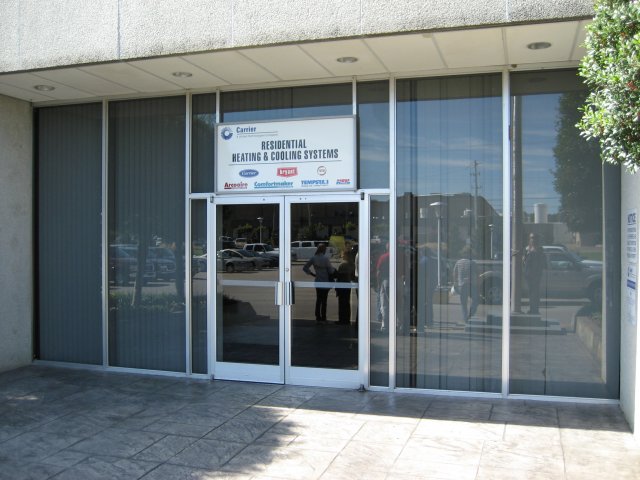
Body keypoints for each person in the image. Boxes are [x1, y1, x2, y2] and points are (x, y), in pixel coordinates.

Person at [303, 243, 335, 323]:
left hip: (318, 281)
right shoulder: (325, 259)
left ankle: (317, 316)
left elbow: (305, 267)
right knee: (324, 301)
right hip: (326, 281)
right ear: (324, 250)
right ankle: (323, 317)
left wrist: (312, 274)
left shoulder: (314, 258)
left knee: (318, 300)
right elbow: (330, 271)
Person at [452, 248, 479, 322]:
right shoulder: (473, 263)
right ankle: (470, 315)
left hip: (461, 286)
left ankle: (465, 319)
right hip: (471, 285)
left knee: (463, 303)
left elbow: (454, 274)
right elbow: (477, 274)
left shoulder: (458, 262)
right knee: (476, 300)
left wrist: (455, 283)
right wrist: (477, 284)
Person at [523, 233, 547, 314]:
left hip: (536, 275)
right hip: (528, 274)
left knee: (535, 293)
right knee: (531, 293)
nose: (532, 240)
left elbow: (542, 263)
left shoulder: (539, 250)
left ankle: (535, 310)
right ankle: (532, 309)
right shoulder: (527, 249)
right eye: (531, 238)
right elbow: (524, 261)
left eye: (534, 238)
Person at [335, 251, 356, 324]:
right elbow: (353, 276)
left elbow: (339, 276)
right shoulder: (352, 264)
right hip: (348, 285)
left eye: (343, 254)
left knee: (341, 303)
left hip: (341, 285)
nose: (342, 255)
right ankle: (347, 320)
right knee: (347, 303)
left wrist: (336, 288)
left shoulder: (343, 264)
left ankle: (342, 320)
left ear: (346, 255)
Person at [376, 243, 390, 331]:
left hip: (385, 280)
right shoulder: (401, 256)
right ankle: (399, 324)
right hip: (398, 280)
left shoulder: (383, 257)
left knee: (384, 304)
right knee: (398, 304)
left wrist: (378, 283)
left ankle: (385, 325)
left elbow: (378, 271)